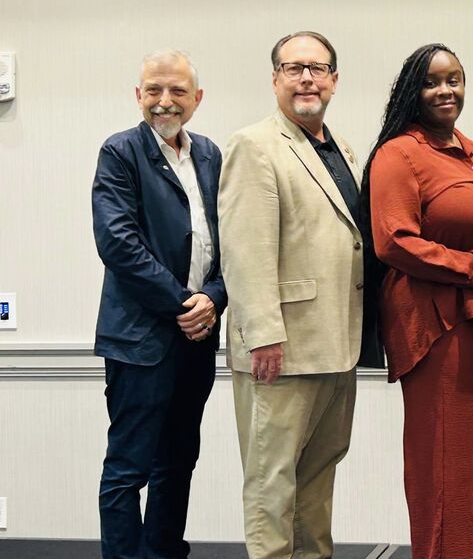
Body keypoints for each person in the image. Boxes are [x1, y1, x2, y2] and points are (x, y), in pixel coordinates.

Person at [219, 31, 374, 559]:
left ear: (333, 79)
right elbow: (244, 251)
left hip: (336, 343)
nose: (306, 77)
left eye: (317, 68)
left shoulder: (342, 149)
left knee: (318, 479)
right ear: (275, 80)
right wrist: (262, 335)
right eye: (293, 68)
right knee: (272, 482)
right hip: (279, 351)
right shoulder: (253, 145)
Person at [363, 44, 473, 559]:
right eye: (431, 82)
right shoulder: (399, 153)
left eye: (455, 79)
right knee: (444, 471)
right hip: (435, 325)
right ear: (412, 90)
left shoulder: (472, 153)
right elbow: (394, 242)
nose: (445, 90)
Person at [92, 49, 227, 559]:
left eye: (176, 91)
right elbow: (119, 243)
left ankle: (165, 552)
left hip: (197, 338)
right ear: (138, 96)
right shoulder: (120, 152)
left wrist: (212, 299)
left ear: (197, 98)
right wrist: (184, 304)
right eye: (154, 90)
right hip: (140, 339)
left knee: (178, 463)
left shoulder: (211, 155)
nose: (165, 102)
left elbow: (232, 243)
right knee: (129, 468)